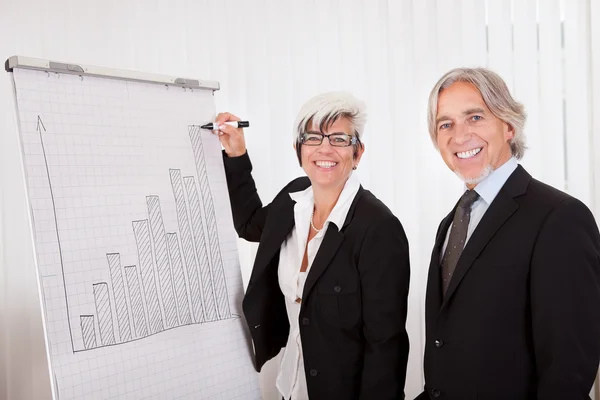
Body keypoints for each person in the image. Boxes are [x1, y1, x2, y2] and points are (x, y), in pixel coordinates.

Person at [415, 67, 600, 400]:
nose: (459, 136)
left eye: (474, 117)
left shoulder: (559, 218)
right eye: (446, 124)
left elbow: (568, 371)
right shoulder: (451, 223)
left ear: (509, 125)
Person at [214, 92, 410, 400]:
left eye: (339, 139)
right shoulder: (294, 200)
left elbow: (385, 344)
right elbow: (251, 225)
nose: (324, 148)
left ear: (357, 154)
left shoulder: (379, 228)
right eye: (313, 137)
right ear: (298, 149)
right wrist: (237, 155)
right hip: (291, 386)